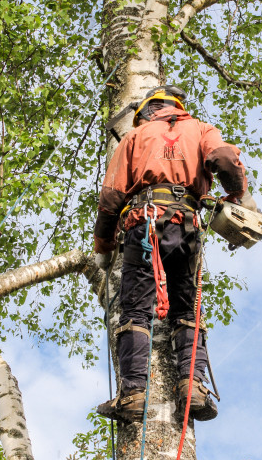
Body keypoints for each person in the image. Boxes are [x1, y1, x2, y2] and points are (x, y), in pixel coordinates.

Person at [94, 86, 250, 423]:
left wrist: (104, 245)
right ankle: (193, 387)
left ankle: (133, 395)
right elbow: (223, 160)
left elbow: (111, 196)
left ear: (147, 112)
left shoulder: (134, 137)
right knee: (186, 310)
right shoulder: (201, 129)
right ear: (176, 108)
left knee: (135, 309)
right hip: (188, 227)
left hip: (145, 224)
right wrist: (238, 193)